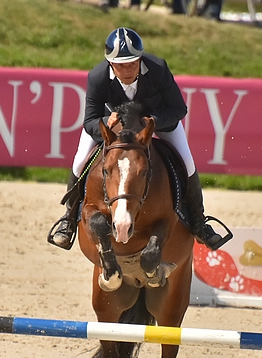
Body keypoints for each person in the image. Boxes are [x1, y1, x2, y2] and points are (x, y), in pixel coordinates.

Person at [48, 27, 231, 251]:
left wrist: (151, 121)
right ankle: (68, 220)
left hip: (158, 122)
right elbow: (89, 121)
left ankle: (199, 221)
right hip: (116, 126)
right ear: (110, 63)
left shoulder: (157, 69)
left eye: (132, 63)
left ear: (140, 58)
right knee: (79, 161)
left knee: (187, 162)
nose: (127, 69)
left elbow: (178, 109)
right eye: (121, 65)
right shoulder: (97, 77)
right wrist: (107, 121)